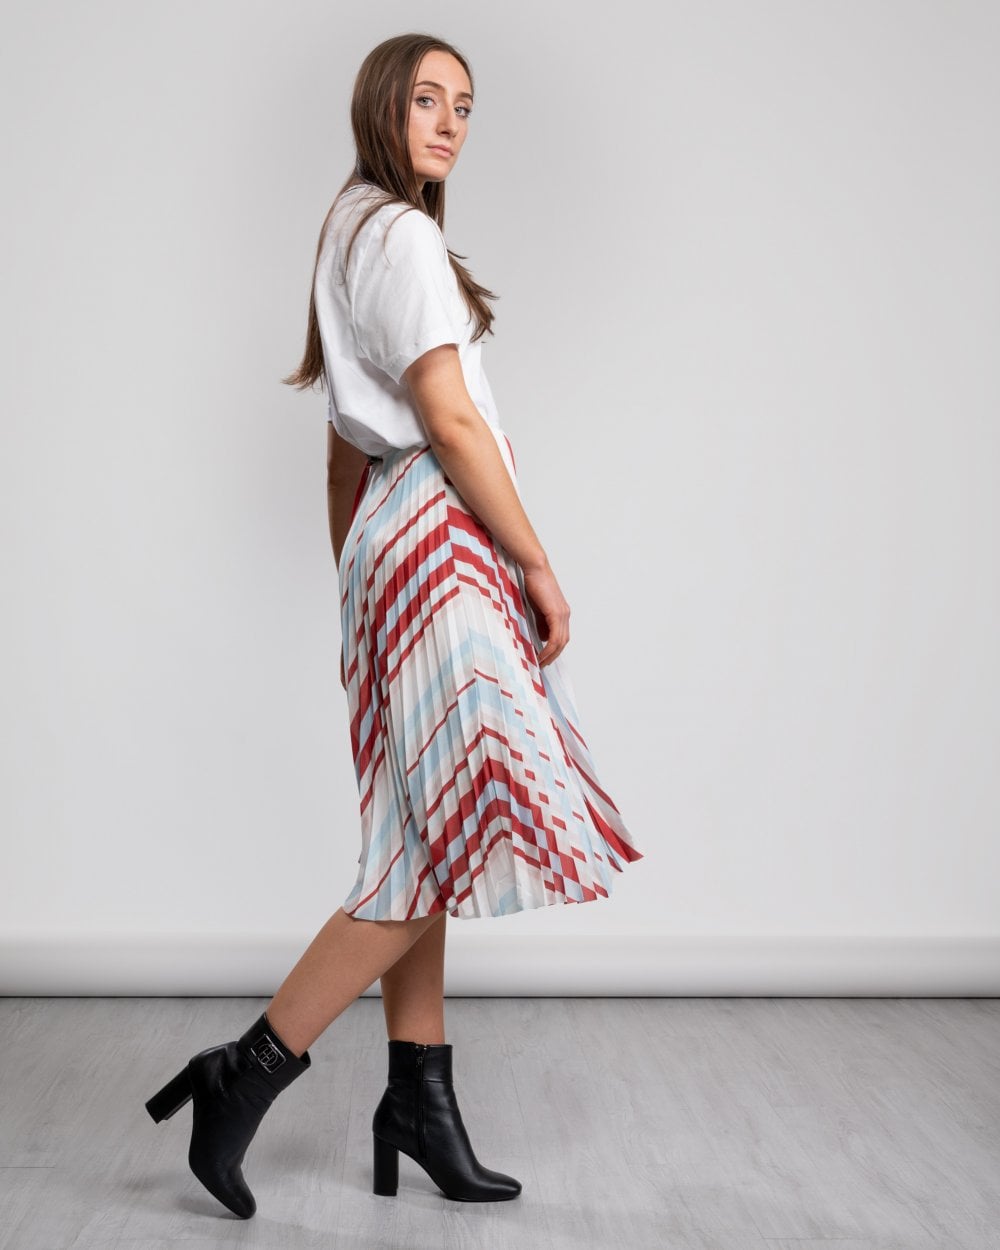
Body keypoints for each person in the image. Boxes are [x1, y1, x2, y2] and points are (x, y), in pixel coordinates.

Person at [145, 32, 644, 1219]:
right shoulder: (404, 238)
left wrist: (355, 597)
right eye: (427, 99)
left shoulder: (347, 230)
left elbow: (339, 456)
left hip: (385, 541)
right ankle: (246, 1069)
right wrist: (538, 564)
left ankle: (418, 1098)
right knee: (445, 833)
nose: (449, 122)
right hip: (438, 536)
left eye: (464, 105)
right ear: (381, 105)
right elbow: (450, 422)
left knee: (425, 835)